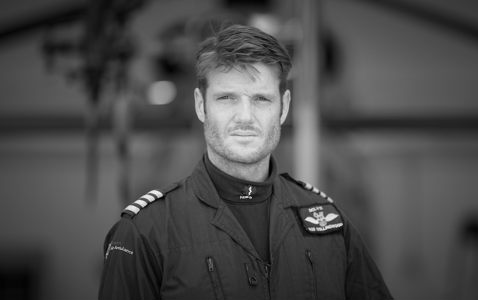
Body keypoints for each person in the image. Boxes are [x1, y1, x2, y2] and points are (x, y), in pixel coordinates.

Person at [98, 24, 393, 300]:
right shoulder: (144, 230)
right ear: (200, 104)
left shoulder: (330, 223)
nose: (244, 116)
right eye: (226, 97)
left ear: (284, 105)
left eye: (262, 99)